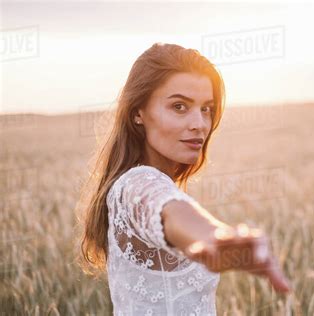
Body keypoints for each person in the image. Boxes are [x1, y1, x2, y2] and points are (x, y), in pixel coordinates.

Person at [77, 42, 292, 316]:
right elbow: (168, 210)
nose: (200, 124)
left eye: (206, 109)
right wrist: (215, 235)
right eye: (179, 106)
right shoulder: (135, 185)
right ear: (137, 113)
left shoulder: (154, 184)